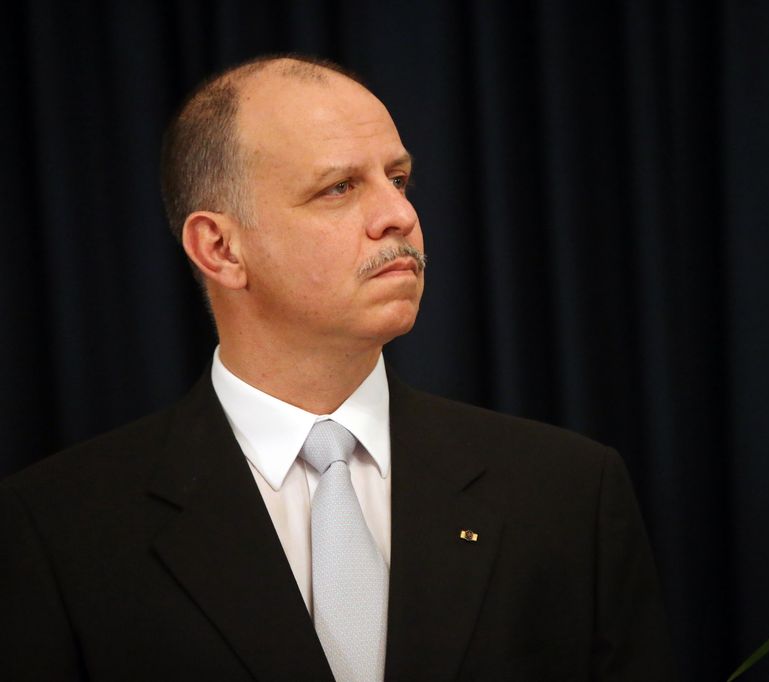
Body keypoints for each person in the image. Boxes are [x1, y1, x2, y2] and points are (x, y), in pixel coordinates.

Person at [0, 54, 676, 681]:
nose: (399, 215)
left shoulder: (569, 493)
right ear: (221, 248)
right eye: (338, 188)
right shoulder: (58, 528)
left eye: (399, 178)